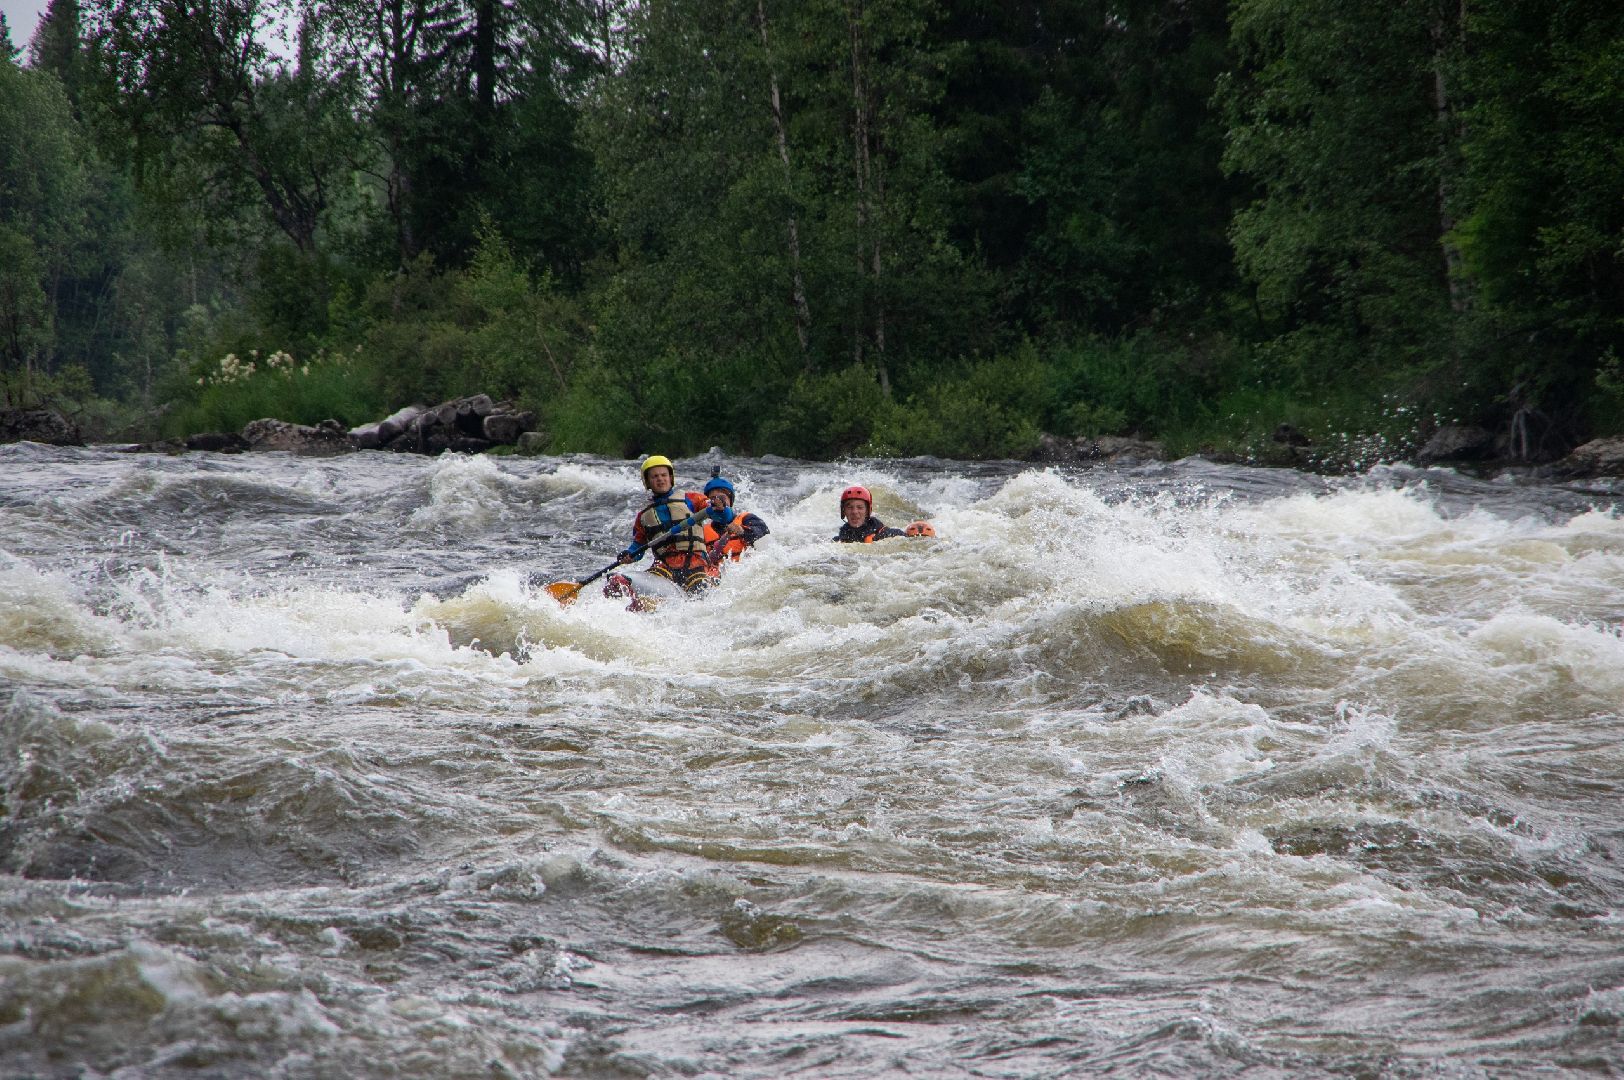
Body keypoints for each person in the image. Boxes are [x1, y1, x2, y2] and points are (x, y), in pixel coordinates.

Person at [616, 454, 719, 591]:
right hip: (664, 567)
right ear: (647, 482)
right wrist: (629, 554)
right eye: (655, 476)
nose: (660, 479)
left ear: (671, 478)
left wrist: (718, 506)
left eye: (664, 475)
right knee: (622, 583)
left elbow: (720, 514)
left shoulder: (692, 499)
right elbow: (638, 546)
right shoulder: (644, 516)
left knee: (700, 587)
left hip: (696, 564)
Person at [700, 472, 769, 563]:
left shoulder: (746, 519)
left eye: (722, 498)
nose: (718, 502)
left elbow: (763, 530)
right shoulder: (701, 531)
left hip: (744, 570)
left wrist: (742, 531)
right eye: (713, 499)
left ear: (730, 500)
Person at [832, 485, 907, 543]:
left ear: (868, 511)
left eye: (860, 507)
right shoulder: (838, 541)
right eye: (850, 507)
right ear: (843, 511)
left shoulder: (887, 535)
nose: (854, 512)